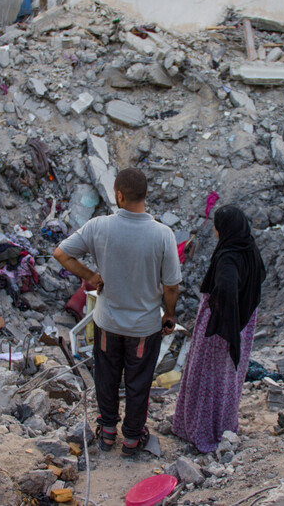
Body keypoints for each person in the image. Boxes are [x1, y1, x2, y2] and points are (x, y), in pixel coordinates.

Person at [54, 168, 181, 456]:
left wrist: (91, 276)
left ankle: (107, 431)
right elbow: (171, 286)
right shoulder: (163, 234)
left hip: (107, 324)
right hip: (144, 329)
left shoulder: (99, 226)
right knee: (138, 383)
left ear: (120, 195)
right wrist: (169, 315)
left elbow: (61, 253)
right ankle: (133, 438)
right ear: (145, 195)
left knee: (106, 378)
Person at [172, 205, 266, 453]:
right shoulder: (249, 248)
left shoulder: (228, 255)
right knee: (227, 378)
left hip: (220, 328)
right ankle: (224, 427)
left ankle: (202, 432)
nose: (214, 230)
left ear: (222, 229)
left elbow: (225, 285)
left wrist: (221, 315)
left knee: (206, 378)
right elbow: (259, 277)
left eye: (216, 225)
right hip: (241, 327)